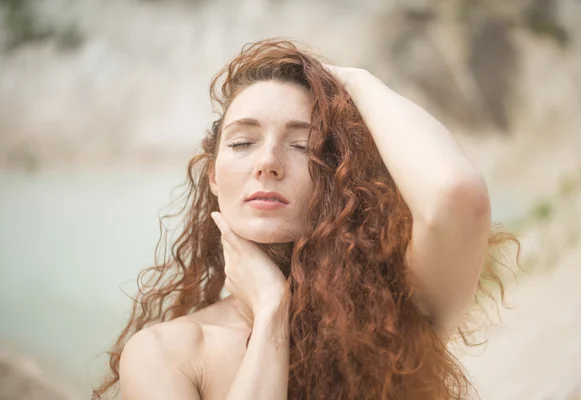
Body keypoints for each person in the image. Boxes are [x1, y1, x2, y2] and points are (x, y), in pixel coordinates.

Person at [92, 38, 519, 400]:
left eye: (302, 146)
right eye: (242, 142)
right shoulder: (166, 353)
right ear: (214, 177)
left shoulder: (394, 305)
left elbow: (456, 195)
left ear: (339, 179)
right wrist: (271, 312)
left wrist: (355, 80)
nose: (268, 163)